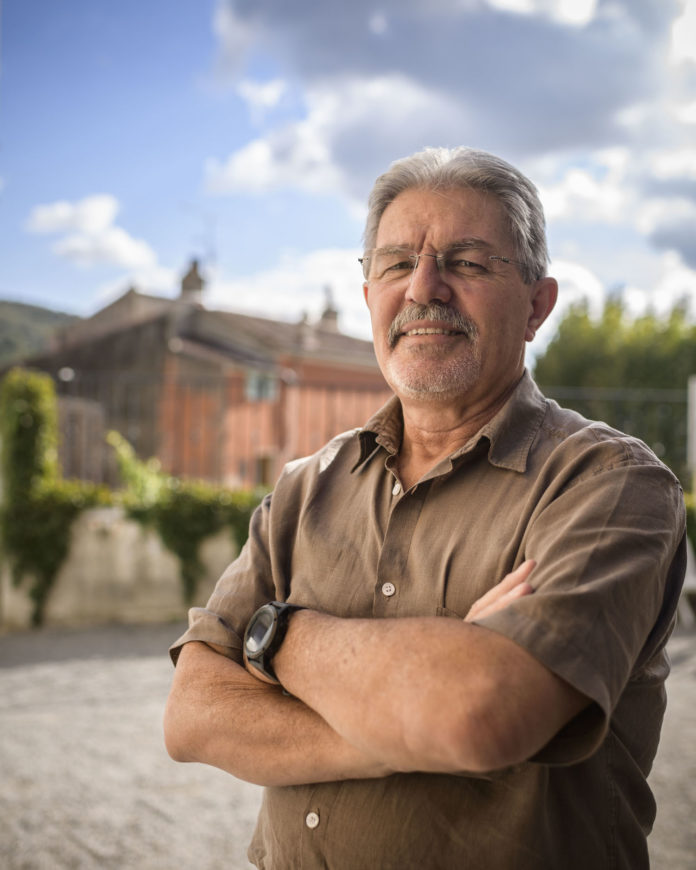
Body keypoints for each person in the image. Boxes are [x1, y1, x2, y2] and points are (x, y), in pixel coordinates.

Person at [163, 147, 686, 869]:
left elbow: (479, 717)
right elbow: (192, 715)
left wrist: (275, 636)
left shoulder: (608, 485)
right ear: (368, 293)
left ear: (537, 306)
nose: (423, 288)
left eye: (466, 262)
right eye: (397, 263)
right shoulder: (305, 488)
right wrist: (407, 723)